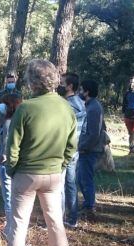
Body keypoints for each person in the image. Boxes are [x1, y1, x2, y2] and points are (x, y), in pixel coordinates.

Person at [0, 59, 77, 246]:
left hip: (26, 175)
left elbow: (12, 147)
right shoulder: (67, 108)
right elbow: (71, 145)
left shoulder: (26, 108)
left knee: (18, 224)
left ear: (32, 82)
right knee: (56, 222)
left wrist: (11, 170)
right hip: (54, 175)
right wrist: (61, 165)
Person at [57, 72, 86, 228]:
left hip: (64, 149)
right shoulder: (81, 103)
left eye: (62, 83)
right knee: (71, 184)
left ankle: (59, 220)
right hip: (75, 149)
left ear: (69, 86)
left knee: (60, 185)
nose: (59, 85)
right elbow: (85, 128)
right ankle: (73, 218)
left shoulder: (66, 105)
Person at [77, 80, 106, 221]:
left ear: (87, 92)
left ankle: (89, 207)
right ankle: (87, 204)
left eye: (81, 90)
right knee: (81, 179)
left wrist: (84, 147)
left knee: (85, 179)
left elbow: (94, 133)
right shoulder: (90, 106)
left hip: (89, 150)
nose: (79, 92)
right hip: (86, 148)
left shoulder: (94, 108)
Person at [0, 92, 23, 239]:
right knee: (13, 195)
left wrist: (2, 158)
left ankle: (10, 228)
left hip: (7, 164)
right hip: (17, 164)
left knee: (8, 196)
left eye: (4, 103)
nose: (1, 106)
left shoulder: (8, 122)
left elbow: (6, 144)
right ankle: (12, 226)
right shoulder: (18, 120)